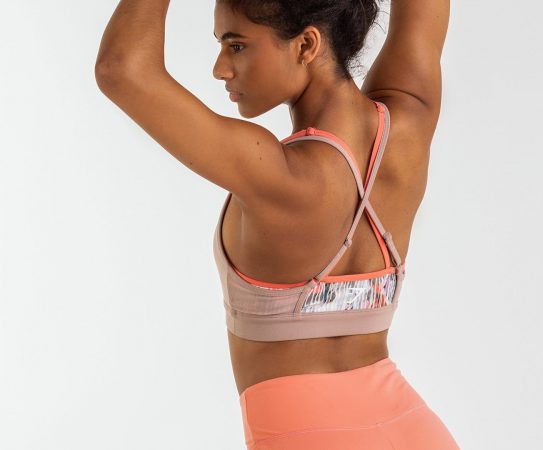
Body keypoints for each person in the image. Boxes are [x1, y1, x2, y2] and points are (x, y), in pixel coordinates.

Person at [95, 0, 457, 448]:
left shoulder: (277, 175)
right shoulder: (408, 121)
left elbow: (121, 69)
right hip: (415, 431)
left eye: (237, 46)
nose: (220, 69)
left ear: (306, 45)